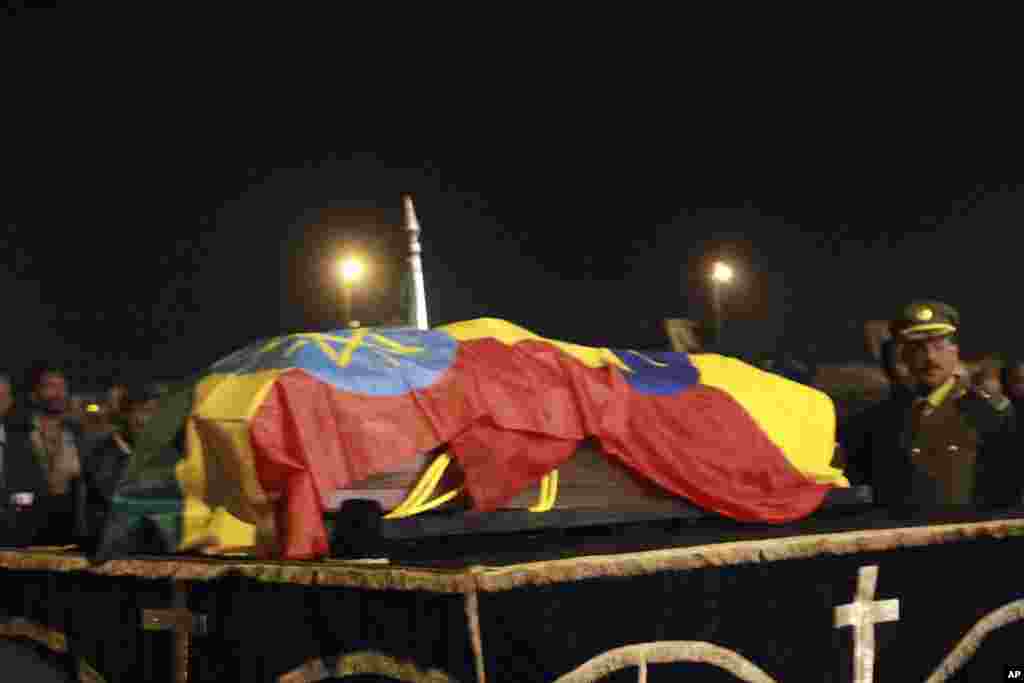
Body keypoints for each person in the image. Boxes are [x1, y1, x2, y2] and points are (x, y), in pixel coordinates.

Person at [839, 301, 1020, 506]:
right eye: (918, 349)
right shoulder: (880, 419)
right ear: (905, 356)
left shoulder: (987, 412)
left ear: (955, 351)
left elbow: (1007, 490)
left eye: (939, 346)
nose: (930, 358)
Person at [2, 363, 89, 543]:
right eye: (50, 386)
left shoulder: (78, 435)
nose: (58, 393)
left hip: (69, 535)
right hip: (22, 534)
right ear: (34, 393)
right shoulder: (16, 432)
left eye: (62, 387)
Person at [82, 384, 164, 526]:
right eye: (145, 411)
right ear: (125, 414)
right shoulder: (99, 455)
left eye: (156, 414)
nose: (151, 420)